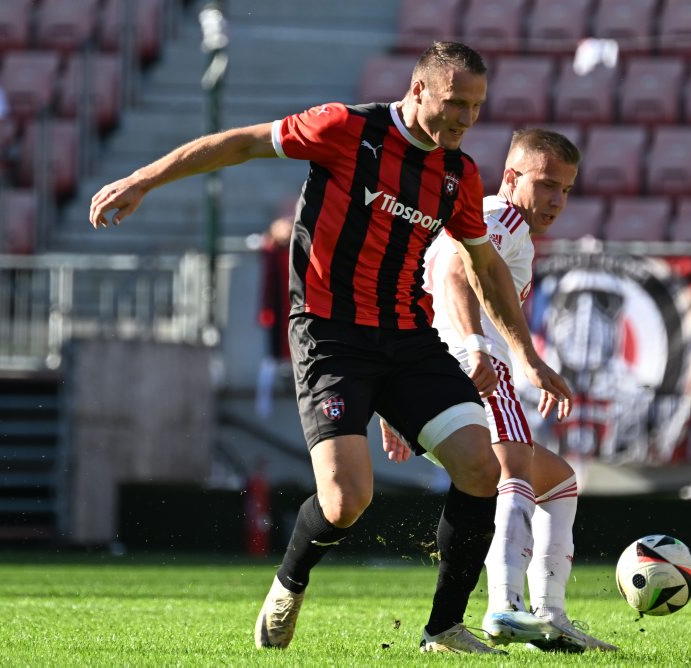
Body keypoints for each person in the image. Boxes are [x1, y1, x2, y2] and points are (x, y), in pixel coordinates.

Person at [88, 41, 573, 655]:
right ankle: (289, 581)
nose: (466, 119)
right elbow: (242, 142)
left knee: (481, 468)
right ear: (419, 89)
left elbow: (484, 266)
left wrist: (525, 355)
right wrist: (143, 179)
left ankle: (444, 629)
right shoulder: (347, 128)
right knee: (347, 498)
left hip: (407, 334)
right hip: (327, 334)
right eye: (456, 103)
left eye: (477, 107)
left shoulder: (458, 174)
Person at [381, 128, 618, 652]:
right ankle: (505, 606)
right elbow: (453, 272)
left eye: (567, 189)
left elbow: (427, 285)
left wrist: (396, 402)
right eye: (547, 184)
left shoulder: (498, 224)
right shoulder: (501, 218)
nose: (557, 200)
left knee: (556, 483)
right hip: (477, 367)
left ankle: (548, 617)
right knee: (513, 471)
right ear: (512, 177)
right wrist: (479, 348)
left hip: (433, 369)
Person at [255, 214, 293, 418]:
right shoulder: (272, 250)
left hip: (291, 309)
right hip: (276, 310)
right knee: (271, 358)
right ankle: (264, 403)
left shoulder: (291, 250)